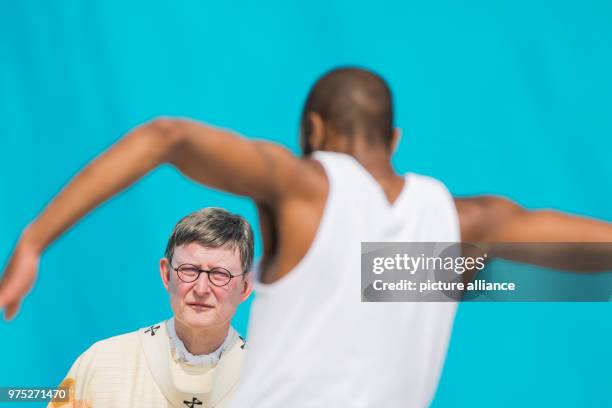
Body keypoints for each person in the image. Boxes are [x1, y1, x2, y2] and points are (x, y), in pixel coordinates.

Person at [1, 67, 611, 407]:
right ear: (393, 139)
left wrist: (34, 239)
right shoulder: (463, 222)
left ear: (311, 129)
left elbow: (168, 137)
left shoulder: (305, 189)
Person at [49, 207, 253, 408]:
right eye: (189, 270)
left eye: (220, 274)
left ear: (244, 287)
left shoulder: (265, 377)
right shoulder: (101, 363)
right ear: (166, 275)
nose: (201, 288)